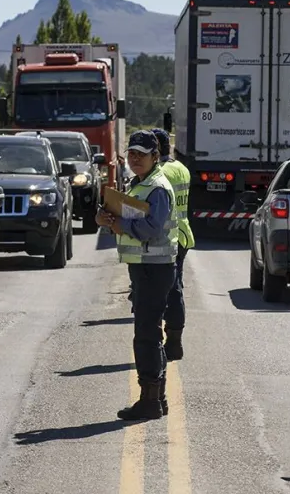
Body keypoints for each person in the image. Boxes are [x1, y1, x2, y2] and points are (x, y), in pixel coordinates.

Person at [97, 130, 179, 421]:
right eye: (132, 153)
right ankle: (157, 399)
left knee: (146, 335)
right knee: (148, 333)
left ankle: (150, 401)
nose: (135, 159)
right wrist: (106, 217)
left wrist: (120, 225)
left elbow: (151, 228)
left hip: (154, 269)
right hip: (145, 267)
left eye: (141, 155)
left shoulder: (156, 187)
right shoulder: (139, 183)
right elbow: (134, 217)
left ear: (155, 157)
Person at [152, 128, 194, 361]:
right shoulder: (181, 168)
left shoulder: (160, 173)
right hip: (183, 233)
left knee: (168, 290)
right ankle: (174, 341)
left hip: (166, 237)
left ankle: (169, 342)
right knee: (175, 287)